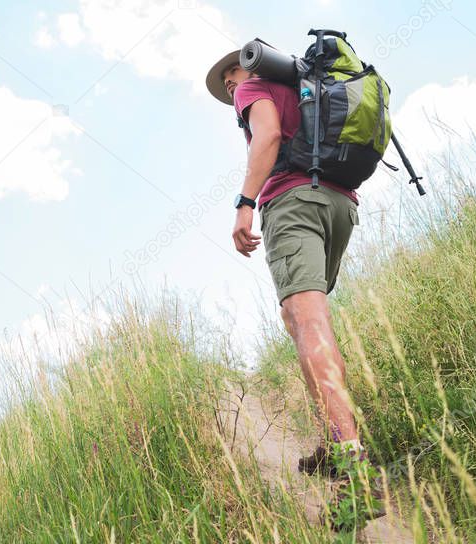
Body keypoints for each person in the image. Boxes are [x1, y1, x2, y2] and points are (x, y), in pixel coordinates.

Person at [205, 49, 384, 525]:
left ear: (253, 67)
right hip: (340, 205)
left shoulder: (254, 89)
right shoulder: (307, 90)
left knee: (308, 322)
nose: (229, 84)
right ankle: (333, 439)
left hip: (291, 201)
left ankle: (353, 471)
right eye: (224, 80)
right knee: (300, 319)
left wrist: (245, 204)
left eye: (232, 72)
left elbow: (264, 136)